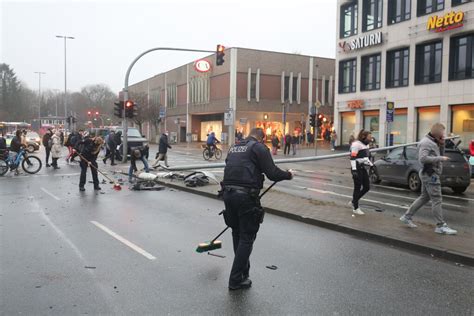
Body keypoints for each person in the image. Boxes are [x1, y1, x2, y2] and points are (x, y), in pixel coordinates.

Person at [222, 127, 293, 290]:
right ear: (262, 138)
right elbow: (272, 173)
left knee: (237, 234)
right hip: (246, 197)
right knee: (247, 238)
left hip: (228, 194)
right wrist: (288, 175)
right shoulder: (259, 147)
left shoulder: (234, 146)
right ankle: (235, 280)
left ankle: (243, 273)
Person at [400, 123, 457, 235]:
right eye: (442, 133)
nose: (444, 135)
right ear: (438, 133)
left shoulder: (433, 141)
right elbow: (423, 159)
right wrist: (441, 158)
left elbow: (437, 153)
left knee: (424, 197)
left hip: (430, 173)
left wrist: (442, 145)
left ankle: (407, 216)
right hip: (430, 174)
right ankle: (440, 226)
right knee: (437, 199)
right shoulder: (426, 143)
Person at [349, 129, 373, 215]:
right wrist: (354, 170)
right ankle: (355, 208)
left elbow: (365, 158)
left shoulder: (366, 145)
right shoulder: (356, 145)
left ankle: (353, 201)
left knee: (367, 187)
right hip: (357, 168)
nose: (371, 139)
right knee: (357, 187)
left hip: (363, 168)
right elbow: (353, 157)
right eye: (369, 137)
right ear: (363, 137)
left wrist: (371, 165)